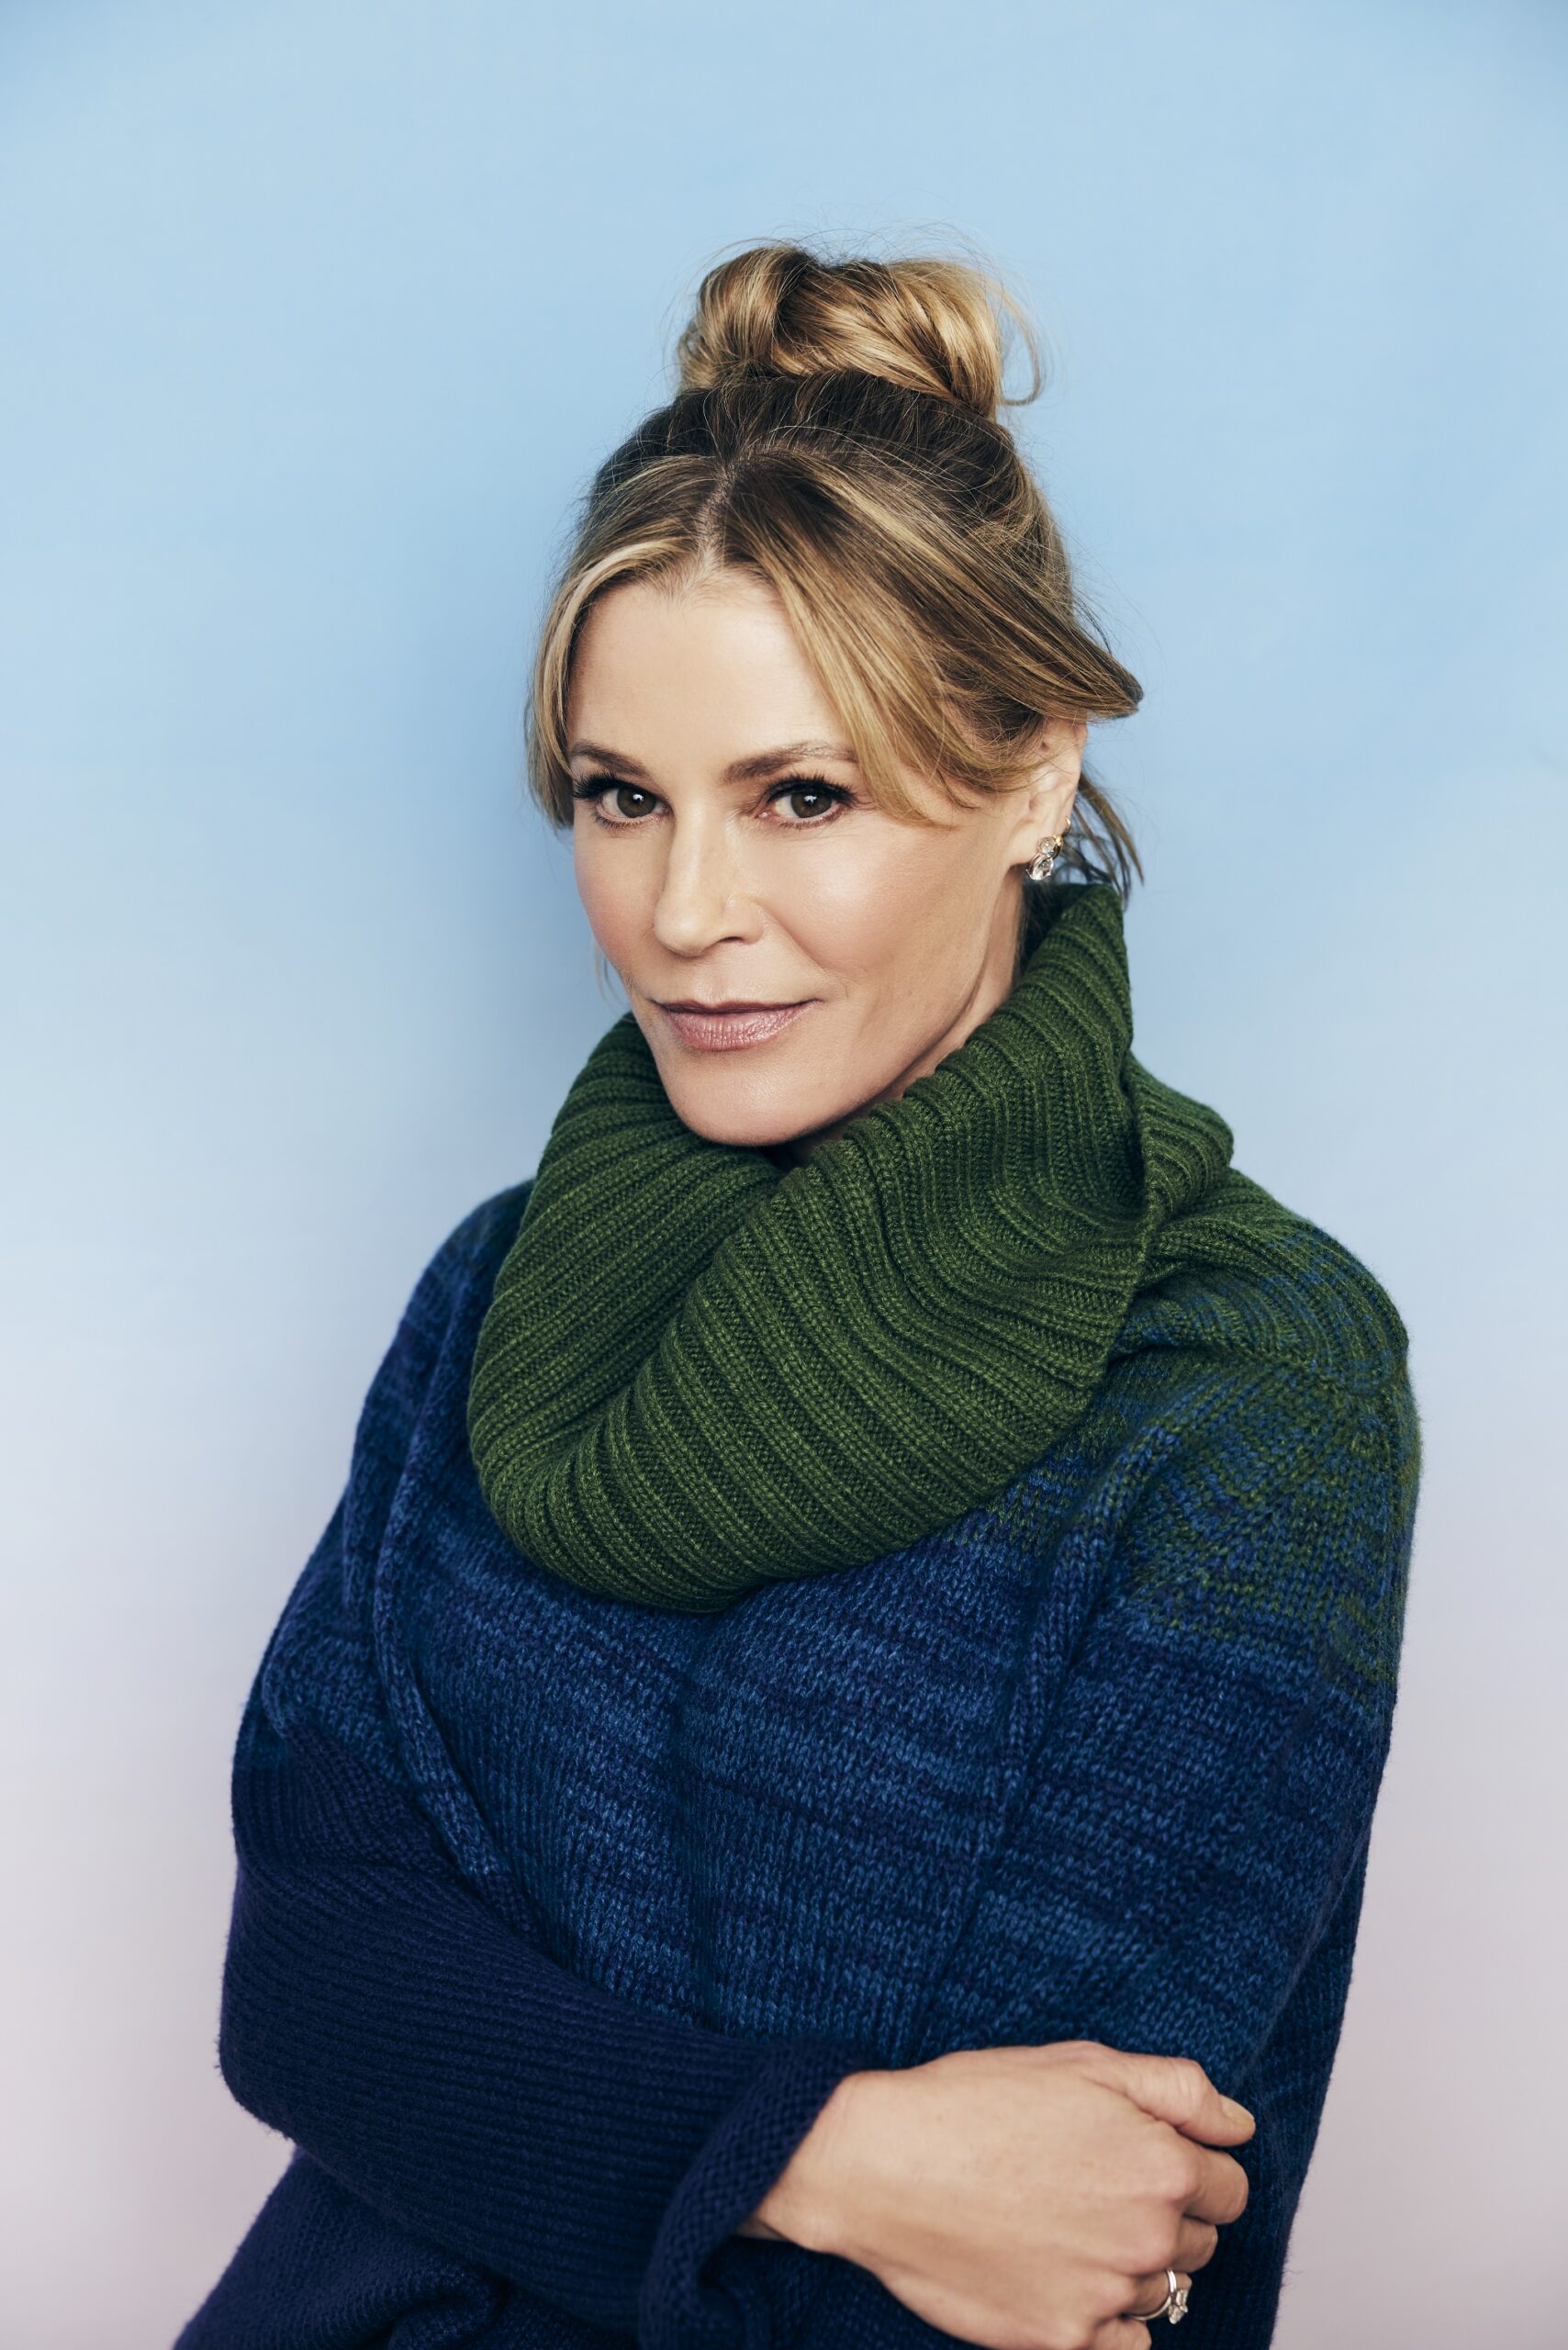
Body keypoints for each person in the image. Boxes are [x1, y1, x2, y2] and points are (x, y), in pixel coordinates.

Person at [177, 241, 1420, 2350]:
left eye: (801, 795)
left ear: (1033, 772)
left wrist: (526, 2098)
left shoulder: (1237, 1380)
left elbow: (1064, 2230)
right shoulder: (499, 1290)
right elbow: (308, 1983)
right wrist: (816, 2148)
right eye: (619, 795)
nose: (683, 911)